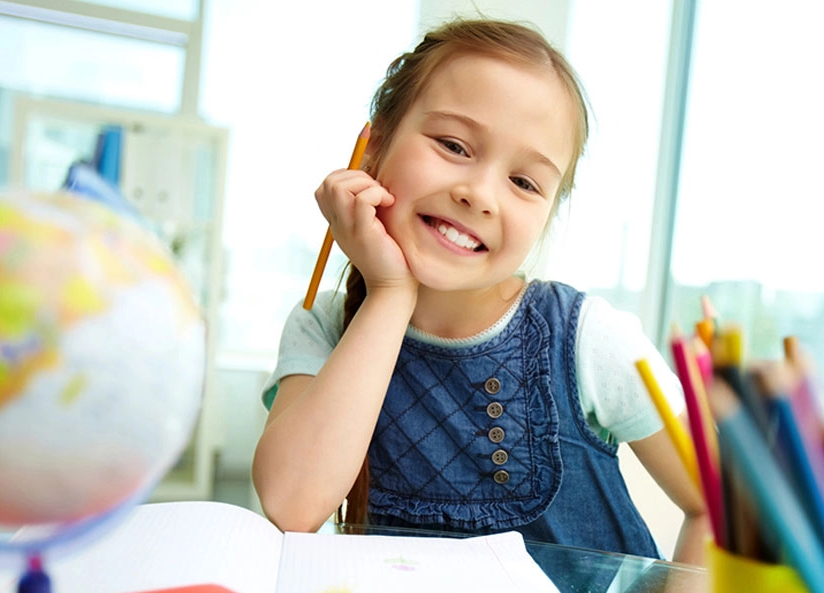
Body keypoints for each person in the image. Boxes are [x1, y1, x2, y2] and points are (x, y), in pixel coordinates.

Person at [253, 17, 708, 565]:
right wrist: (390, 293)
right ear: (371, 150)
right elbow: (292, 504)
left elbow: (717, 511)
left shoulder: (588, 339)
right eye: (453, 145)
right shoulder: (323, 327)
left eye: (524, 182)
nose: (480, 194)